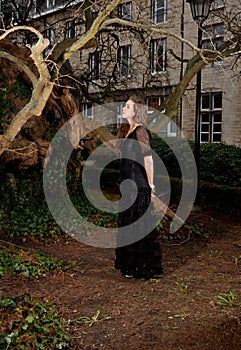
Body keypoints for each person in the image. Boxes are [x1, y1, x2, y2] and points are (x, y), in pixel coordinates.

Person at [115, 95, 162, 279]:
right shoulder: (127, 129)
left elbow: (148, 160)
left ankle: (141, 267)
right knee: (128, 225)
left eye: (127, 106)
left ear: (136, 111)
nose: (124, 108)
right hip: (127, 187)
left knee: (139, 227)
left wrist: (151, 186)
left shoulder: (141, 131)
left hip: (139, 186)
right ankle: (130, 265)